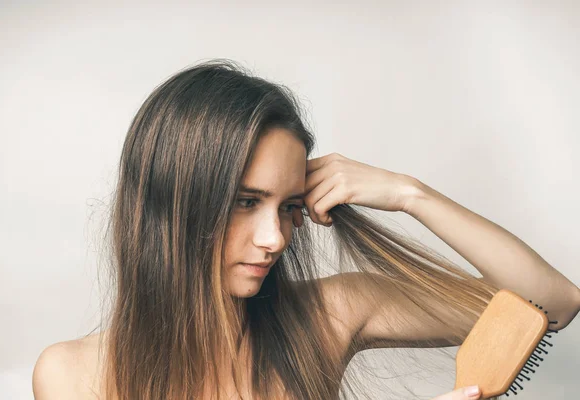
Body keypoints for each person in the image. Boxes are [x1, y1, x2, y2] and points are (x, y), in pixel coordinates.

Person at [32, 59, 580, 400]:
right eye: (245, 202)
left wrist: (410, 195)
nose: (275, 238)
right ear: (173, 204)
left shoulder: (329, 316)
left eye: (289, 206)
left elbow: (553, 304)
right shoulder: (73, 375)